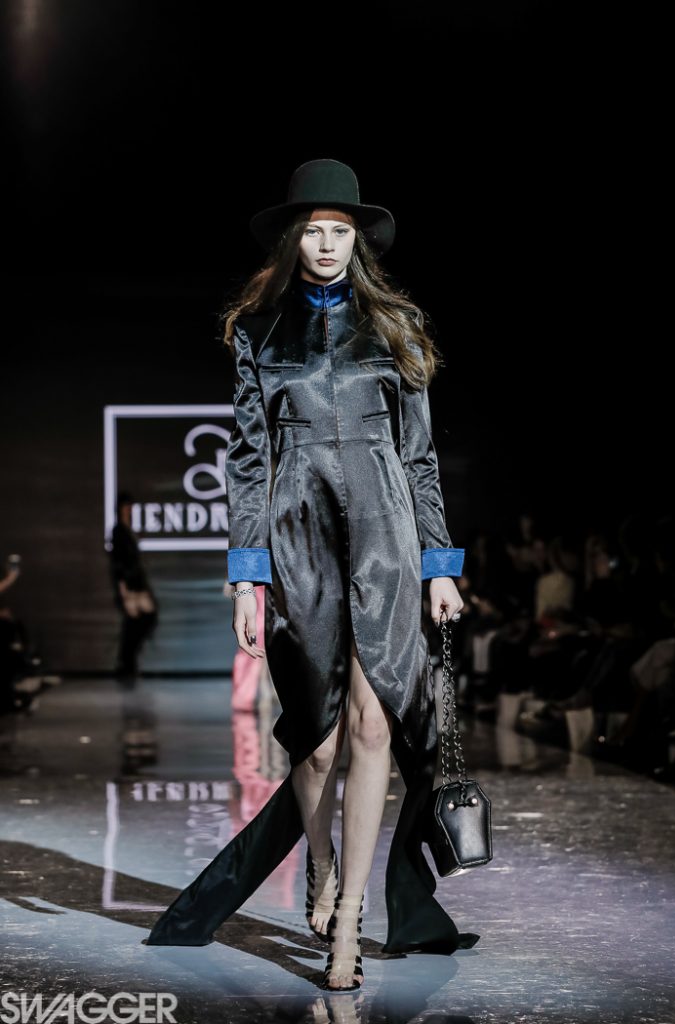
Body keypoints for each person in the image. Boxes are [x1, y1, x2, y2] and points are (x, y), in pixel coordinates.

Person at [145, 158, 480, 988]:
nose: (326, 244)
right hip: (298, 541)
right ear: (292, 239)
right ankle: (320, 865)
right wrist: (246, 576)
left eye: (339, 231)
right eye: (313, 230)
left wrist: (439, 566)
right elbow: (247, 459)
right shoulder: (258, 333)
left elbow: (419, 457)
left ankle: (350, 922)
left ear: (356, 241)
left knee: (372, 728)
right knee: (318, 740)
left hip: (386, 538)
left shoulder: (395, 326)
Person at [109, 492, 158, 680]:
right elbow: (118, 562)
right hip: (129, 583)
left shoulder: (127, 529)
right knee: (134, 621)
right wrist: (123, 590)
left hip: (136, 581)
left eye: (130, 506)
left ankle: (126, 662)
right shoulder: (118, 531)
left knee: (141, 620)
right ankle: (126, 663)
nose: (128, 510)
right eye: (126, 506)